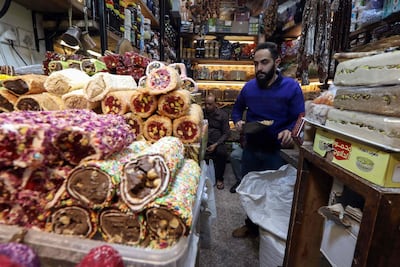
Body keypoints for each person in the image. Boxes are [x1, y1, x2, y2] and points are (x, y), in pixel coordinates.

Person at [231, 41, 305, 238]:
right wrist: (238, 121)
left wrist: (290, 131)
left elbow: (300, 118)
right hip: (252, 148)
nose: (259, 68)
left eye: (264, 63)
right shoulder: (249, 88)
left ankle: (270, 234)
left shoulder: (291, 87)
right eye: (255, 64)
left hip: (277, 151)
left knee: (274, 193)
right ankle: (251, 225)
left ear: (277, 62)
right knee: (251, 191)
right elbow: (237, 109)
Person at [204, 94, 230, 190]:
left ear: (216, 104)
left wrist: (216, 144)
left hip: (217, 141)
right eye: (205, 104)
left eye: (210, 104)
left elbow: (226, 133)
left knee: (222, 153)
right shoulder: (202, 113)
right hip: (204, 139)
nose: (207, 106)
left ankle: (219, 178)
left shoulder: (223, 115)